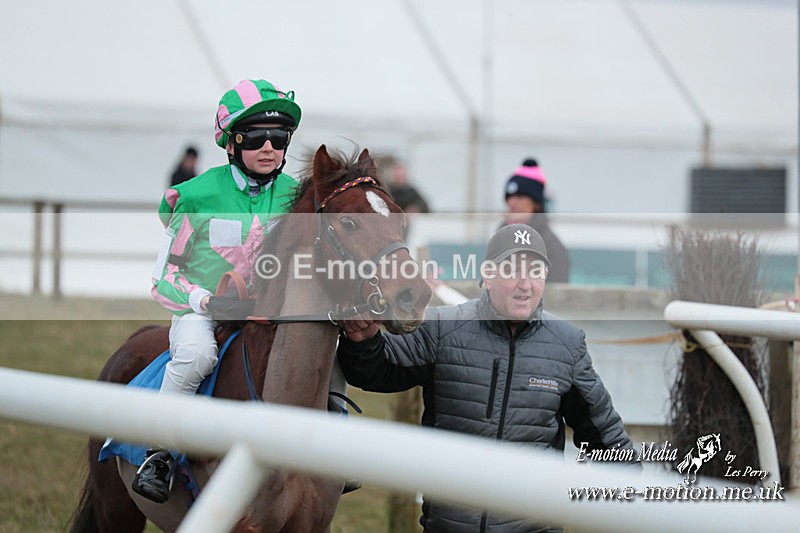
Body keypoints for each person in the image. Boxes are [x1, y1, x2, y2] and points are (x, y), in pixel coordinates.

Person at [338, 224, 637, 532]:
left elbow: (607, 437)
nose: (525, 284)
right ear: (488, 274)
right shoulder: (443, 329)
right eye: (512, 270)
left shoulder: (567, 346)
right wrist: (363, 340)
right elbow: (378, 371)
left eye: (535, 271)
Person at [134, 79, 303, 504]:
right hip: (204, 308)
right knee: (196, 356)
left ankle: (330, 442)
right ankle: (158, 454)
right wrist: (204, 301)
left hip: (271, 310)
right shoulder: (196, 195)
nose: (269, 148)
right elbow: (163, 277)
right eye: (257, 138)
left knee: (320, 346)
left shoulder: (297, 197)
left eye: (279, 138)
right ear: (231, 143)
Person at [503, 158, 571, 283]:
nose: (513, 202)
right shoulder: (500, 238)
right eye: (510, 197)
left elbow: (557, 292)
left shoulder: (550, 246)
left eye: (520, 196)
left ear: (536, 204)